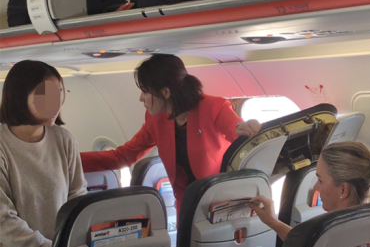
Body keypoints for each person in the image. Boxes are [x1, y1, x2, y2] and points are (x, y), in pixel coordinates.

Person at [80, 54, 262, 213]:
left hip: (220, 205)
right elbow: (123, 156)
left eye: (145, 92)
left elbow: (235, 129)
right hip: (186, 205)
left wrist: (245, 127)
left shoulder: (213, 107)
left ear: (165, 92)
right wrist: (69, 160)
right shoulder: (156, 120)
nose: (140, 98)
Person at [0, 61, 87, 247]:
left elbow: (77, 196)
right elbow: (4, 220)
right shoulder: (3, 146)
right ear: (19, 96)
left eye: (58, 94)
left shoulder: (63, 139)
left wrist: (71, 244)